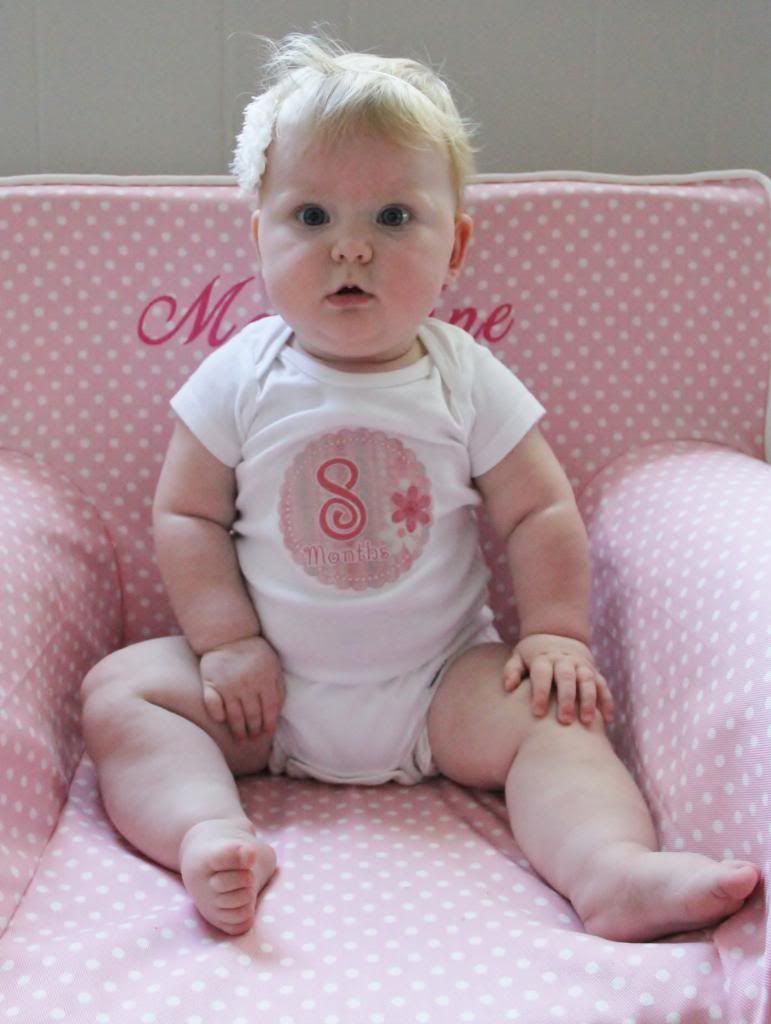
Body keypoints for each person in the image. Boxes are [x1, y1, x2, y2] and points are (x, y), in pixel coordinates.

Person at [81, 32, 760, 940]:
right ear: (258, 237)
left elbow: (538, 508)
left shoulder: (462, 376)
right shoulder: (240, 375)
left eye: (393, 218)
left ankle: (607, 868)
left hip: (441, 688)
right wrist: (226, 642)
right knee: (122, 690)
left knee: (556, 718)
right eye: (311, 217)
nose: (350, 249)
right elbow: (187, 513)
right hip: (266, 696)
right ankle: (205, 832)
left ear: (455, 248)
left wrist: (554, 633)